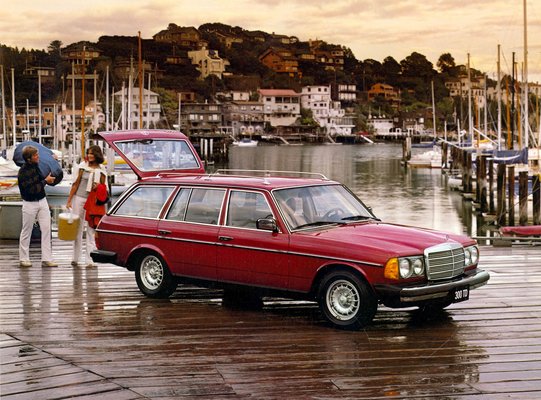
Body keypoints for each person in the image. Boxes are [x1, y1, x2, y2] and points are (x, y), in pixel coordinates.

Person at [66, 145, 107, 267]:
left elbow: (104, 187)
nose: (89, 155)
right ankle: (75, 257)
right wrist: (69, 200)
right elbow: (75, 184)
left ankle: (90, 259)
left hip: (93, 201)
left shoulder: (102, 168)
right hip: (79, 198)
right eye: (88, 153)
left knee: (91, 229)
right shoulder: (82, 166)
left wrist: (98, 187)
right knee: (77, 228)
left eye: (92, 154)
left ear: (97, 155)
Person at [17, 145, 57, 267]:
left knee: (46, 229)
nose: (38, 156)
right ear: (29, 158)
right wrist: (45, 181)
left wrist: (53, 160)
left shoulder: (37, 166)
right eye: (35, 155)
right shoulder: (23, 172)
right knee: (26, 230)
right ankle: (24, 258)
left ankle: (47, 258)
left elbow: (45, 174)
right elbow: (31, 189)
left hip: (42, 200)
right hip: (29, 203)